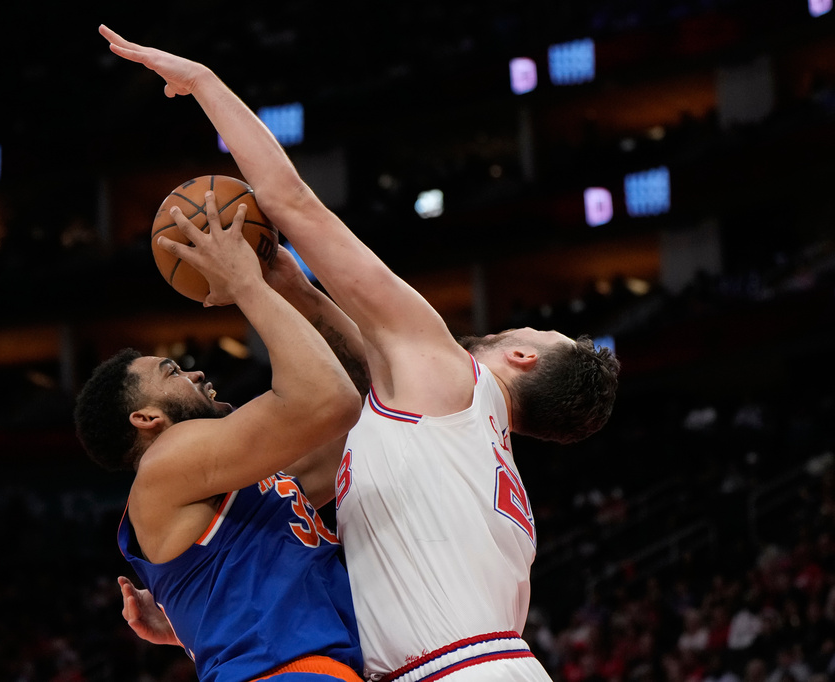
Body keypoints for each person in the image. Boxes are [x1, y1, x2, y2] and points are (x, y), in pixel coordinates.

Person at [100, 24, 621, 682]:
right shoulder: (460, 453)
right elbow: (367, 375)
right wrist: (299, 292)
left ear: (522, 359)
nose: (524, 328)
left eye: (536, 333)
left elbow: (294, 204)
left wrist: (203, 82)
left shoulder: (440, 368)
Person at [73, 191, 366, 682]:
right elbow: (329, 401)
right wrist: (245, 284)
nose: (197, 372)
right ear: (146, 419)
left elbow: (357, 401)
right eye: (173, 371)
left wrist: (302, 295)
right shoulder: (165, 464)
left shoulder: (249, 482)